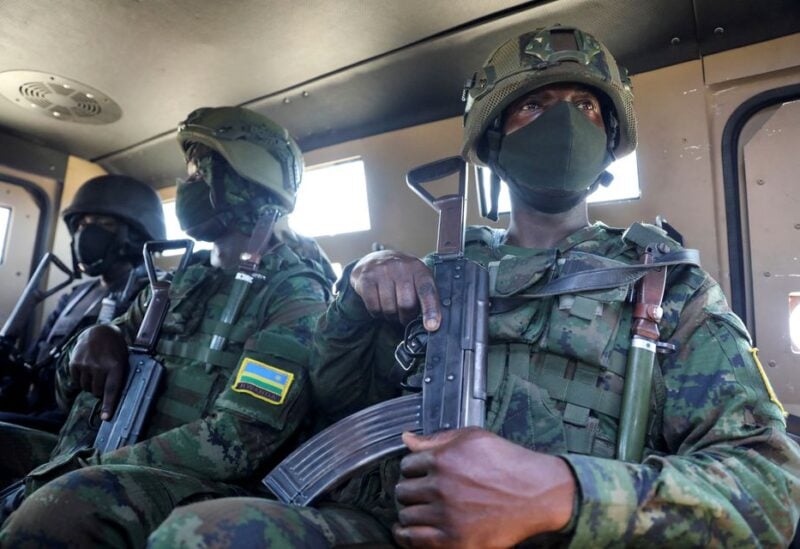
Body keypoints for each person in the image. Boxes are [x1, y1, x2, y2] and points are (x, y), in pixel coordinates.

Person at [147, 26, 800, 548]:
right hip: (395, 527)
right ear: (492, 136)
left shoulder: (667, 287)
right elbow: (338, 399)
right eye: (535, 106)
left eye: (586, 107)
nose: (565, 121)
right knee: (196, 533)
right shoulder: (441, 271)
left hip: (567, 535)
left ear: (608, 142)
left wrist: (564, 492)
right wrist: (356, 298)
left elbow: (771, 487)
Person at [0, 106, 333, 547]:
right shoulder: (177, 283)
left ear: (244, 181)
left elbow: (239, 442)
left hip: (200, 485)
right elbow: (69, 392)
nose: (186, 185)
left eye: (199, 173)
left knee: (66, 504)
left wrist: (98, 464)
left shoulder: (294, 296)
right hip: (101, 458)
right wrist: (94, 338)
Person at [0, 174, 165, 488]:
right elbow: (38, 361)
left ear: (136, 235)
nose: (86, 232)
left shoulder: (150, 296)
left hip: (74, 429)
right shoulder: (74, 294)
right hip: (36, 411)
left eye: (103, 223)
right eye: (81, 223)